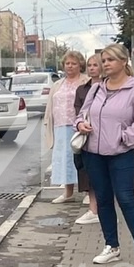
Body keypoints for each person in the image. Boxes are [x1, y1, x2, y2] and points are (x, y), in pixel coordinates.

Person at [74, 43, 134, 267]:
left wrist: (124, 139)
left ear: (123, 61)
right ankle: (111, 246)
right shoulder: (97, 88)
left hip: (121, 155)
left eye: (110, 60)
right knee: (104, 200)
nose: (105, 64)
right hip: (93, 154)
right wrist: (81, 124)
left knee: (127, 199)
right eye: (103, 60)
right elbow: (81, 114)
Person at [43, 51, 89, 204]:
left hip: (79, 127)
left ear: (80, 65)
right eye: (67, 63)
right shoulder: (57, 84)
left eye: (74, 63)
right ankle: (68, 192)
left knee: (82, 159)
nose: (70, 66)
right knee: (64, 159)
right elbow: (50, 106)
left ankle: (89, 193)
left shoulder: (86, 82)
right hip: (60, 126)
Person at [72, 53, 103, 225]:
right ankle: (93, 210)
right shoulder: (82, 89)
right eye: (89, 65)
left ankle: (105, 209)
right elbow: (78, 111)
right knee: (88, 173)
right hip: (86, 135)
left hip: (106, 136)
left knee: (106, 175)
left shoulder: (109, 87)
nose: (92, 68)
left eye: (95, 65)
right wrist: (80, 124)